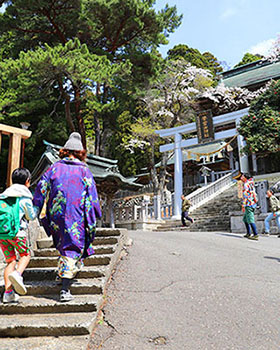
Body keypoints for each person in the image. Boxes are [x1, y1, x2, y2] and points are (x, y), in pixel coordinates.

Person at [33, 132, 102, 302]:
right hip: (76, 214)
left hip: (56, 214)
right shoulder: (84, 171)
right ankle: (65, 289)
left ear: (64, 151)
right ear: (80, 153)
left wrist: (36, 210)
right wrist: (94, 214)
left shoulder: (54, 168)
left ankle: (61, 274)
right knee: (72, 247)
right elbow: (92, 198)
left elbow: (41, 189)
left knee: (64, 244)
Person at [0, 168, 38, 303]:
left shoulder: (4, 196)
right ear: (27, 181)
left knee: (10, 261)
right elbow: (31, 216)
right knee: (25, 255)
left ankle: (8, 293)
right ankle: (17, 274)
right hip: (18, 234)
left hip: (3, 235)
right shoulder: (24, 197)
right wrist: (35, 209)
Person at [240, 173, 259, 240]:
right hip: (253, 203)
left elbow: (246, 196)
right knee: (245, 219)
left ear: (245, 177)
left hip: (249, 204)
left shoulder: (246, 185)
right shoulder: (250, 183)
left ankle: (255, 234)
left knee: (250, 219)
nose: (241, 177)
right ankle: (248, 233)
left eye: (242, 176)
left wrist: (243, 205)